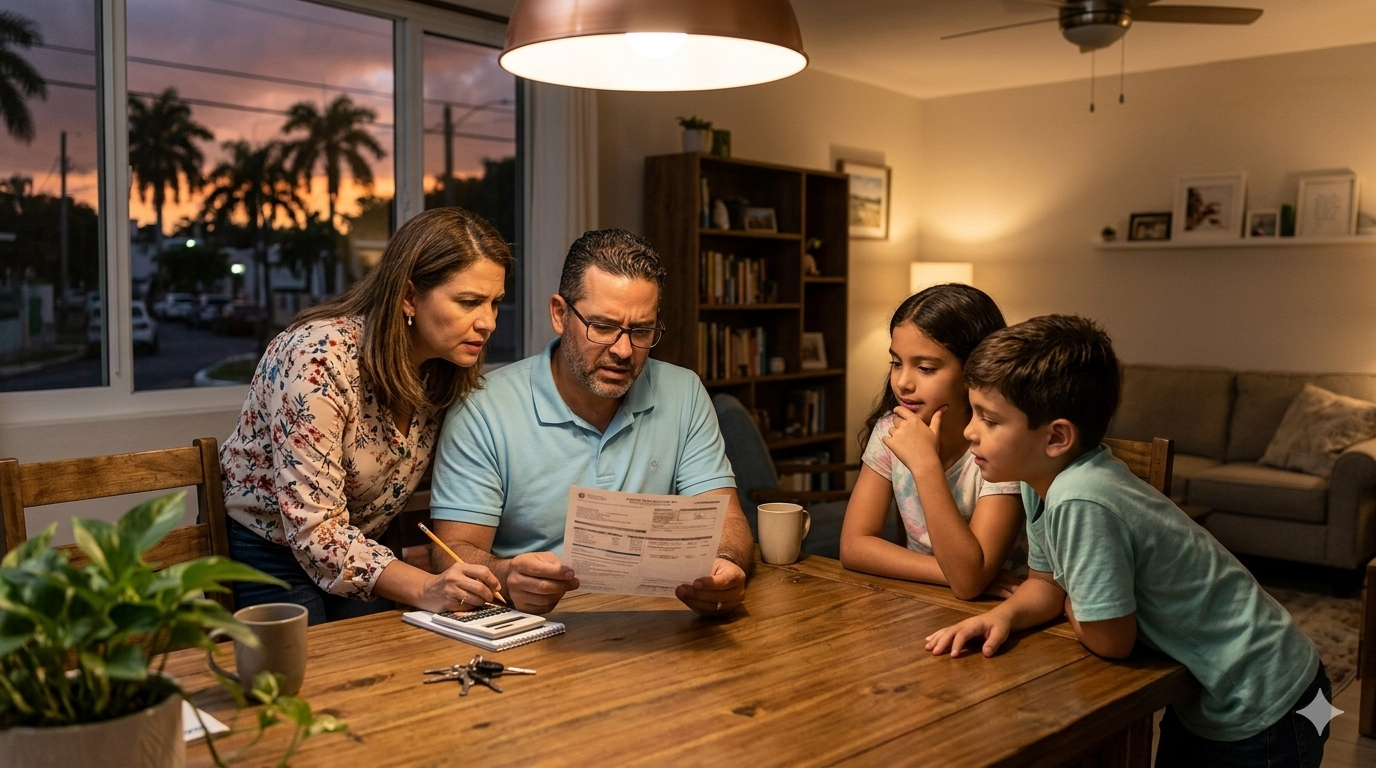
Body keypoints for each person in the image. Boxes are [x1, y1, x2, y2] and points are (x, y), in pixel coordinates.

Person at [924, 315, 1328, 768]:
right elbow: (1046, 583)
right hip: (1220, 693)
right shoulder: (1038, 480)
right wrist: (1004, 615)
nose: (968, 431)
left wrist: (1074, 603)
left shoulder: (1082, 498)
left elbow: (1111, 638)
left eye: (990, 419)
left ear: (1056, 437)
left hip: (1268, 703)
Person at [428, 229, 755, 616]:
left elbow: (728, 520)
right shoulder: (483, 406)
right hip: (535, 625)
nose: (622, 350)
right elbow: (452, 552)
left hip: (656, 622)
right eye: (602, 326)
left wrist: (727, 565)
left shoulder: (683, 392)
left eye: (642, 331)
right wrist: (508, 577)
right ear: (560, 315)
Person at [221, 207, 509, 625]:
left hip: (363, 547)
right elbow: (314, 533)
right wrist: (427, 586)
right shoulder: (317, 359)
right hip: (270, 543)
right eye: (468, 302)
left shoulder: (444, 367)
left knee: (388, 667)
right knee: (313, 673)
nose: (488, 323)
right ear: (409, 297)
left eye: (494, 303)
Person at [839, 284, 1026, 600]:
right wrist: (952, 573)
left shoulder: (1003, 445)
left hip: (1008, 611)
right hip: (926, 600)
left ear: (974, 369)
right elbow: (854, 546)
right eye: (896, 363)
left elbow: (968, 584)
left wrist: (925, 464)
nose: (903, 383)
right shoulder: (891, 429)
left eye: (925, 368)